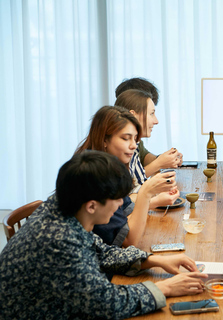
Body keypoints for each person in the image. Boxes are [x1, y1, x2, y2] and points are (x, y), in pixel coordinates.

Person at [0, 151, 208, 319]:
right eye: (118, 199)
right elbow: (106, 303)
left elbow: (101, 251)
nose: (122, 205)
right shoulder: (59, 241)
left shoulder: (62, 208)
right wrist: (164, 287)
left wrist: (155, 260)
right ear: (92, 206)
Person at [75, 106, 178, 246]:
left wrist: (154, 199)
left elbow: (125, 206)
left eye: (135, 139)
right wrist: (147, 192)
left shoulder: (108, 166)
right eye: (125, 138)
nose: (134, 145)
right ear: (104, 140)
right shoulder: (93, 174)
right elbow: (129, 240)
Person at [115, 77, 183, 172]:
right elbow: (130, 181)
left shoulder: (134, 140)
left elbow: (143, 157)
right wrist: (159, 163)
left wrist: (165, 160)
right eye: (151, 113)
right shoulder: (116, 142)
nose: (156, 121)